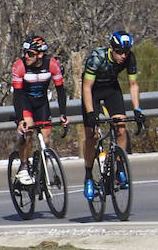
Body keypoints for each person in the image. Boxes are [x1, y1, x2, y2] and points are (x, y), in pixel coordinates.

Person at [81, 30, 144, 199]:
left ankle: (119, 166)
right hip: (92, 92)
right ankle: (88, 175)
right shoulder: (97, 57)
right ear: (111, 49)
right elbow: (86, 87)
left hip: (111, 90)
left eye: (126, 52)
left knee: (121, 128)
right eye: (119, 52)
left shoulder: (130, 58)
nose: (123, 56)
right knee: (92, 136)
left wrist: (137, 110)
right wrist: (91, 113)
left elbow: (133, 84)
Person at [10, 35, 69, 186]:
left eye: (29, 53)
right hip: (25, 103)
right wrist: (19, 120)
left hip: (42, 103)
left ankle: (41, 173)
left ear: (40, 54)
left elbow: (61, 90)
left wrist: (63, 113)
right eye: (24, 52)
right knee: (28, 131)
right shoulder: (19, 66)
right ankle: (23, 167)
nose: (26, 56)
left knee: (46, 138)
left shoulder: (52, 64)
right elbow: (17, 96)